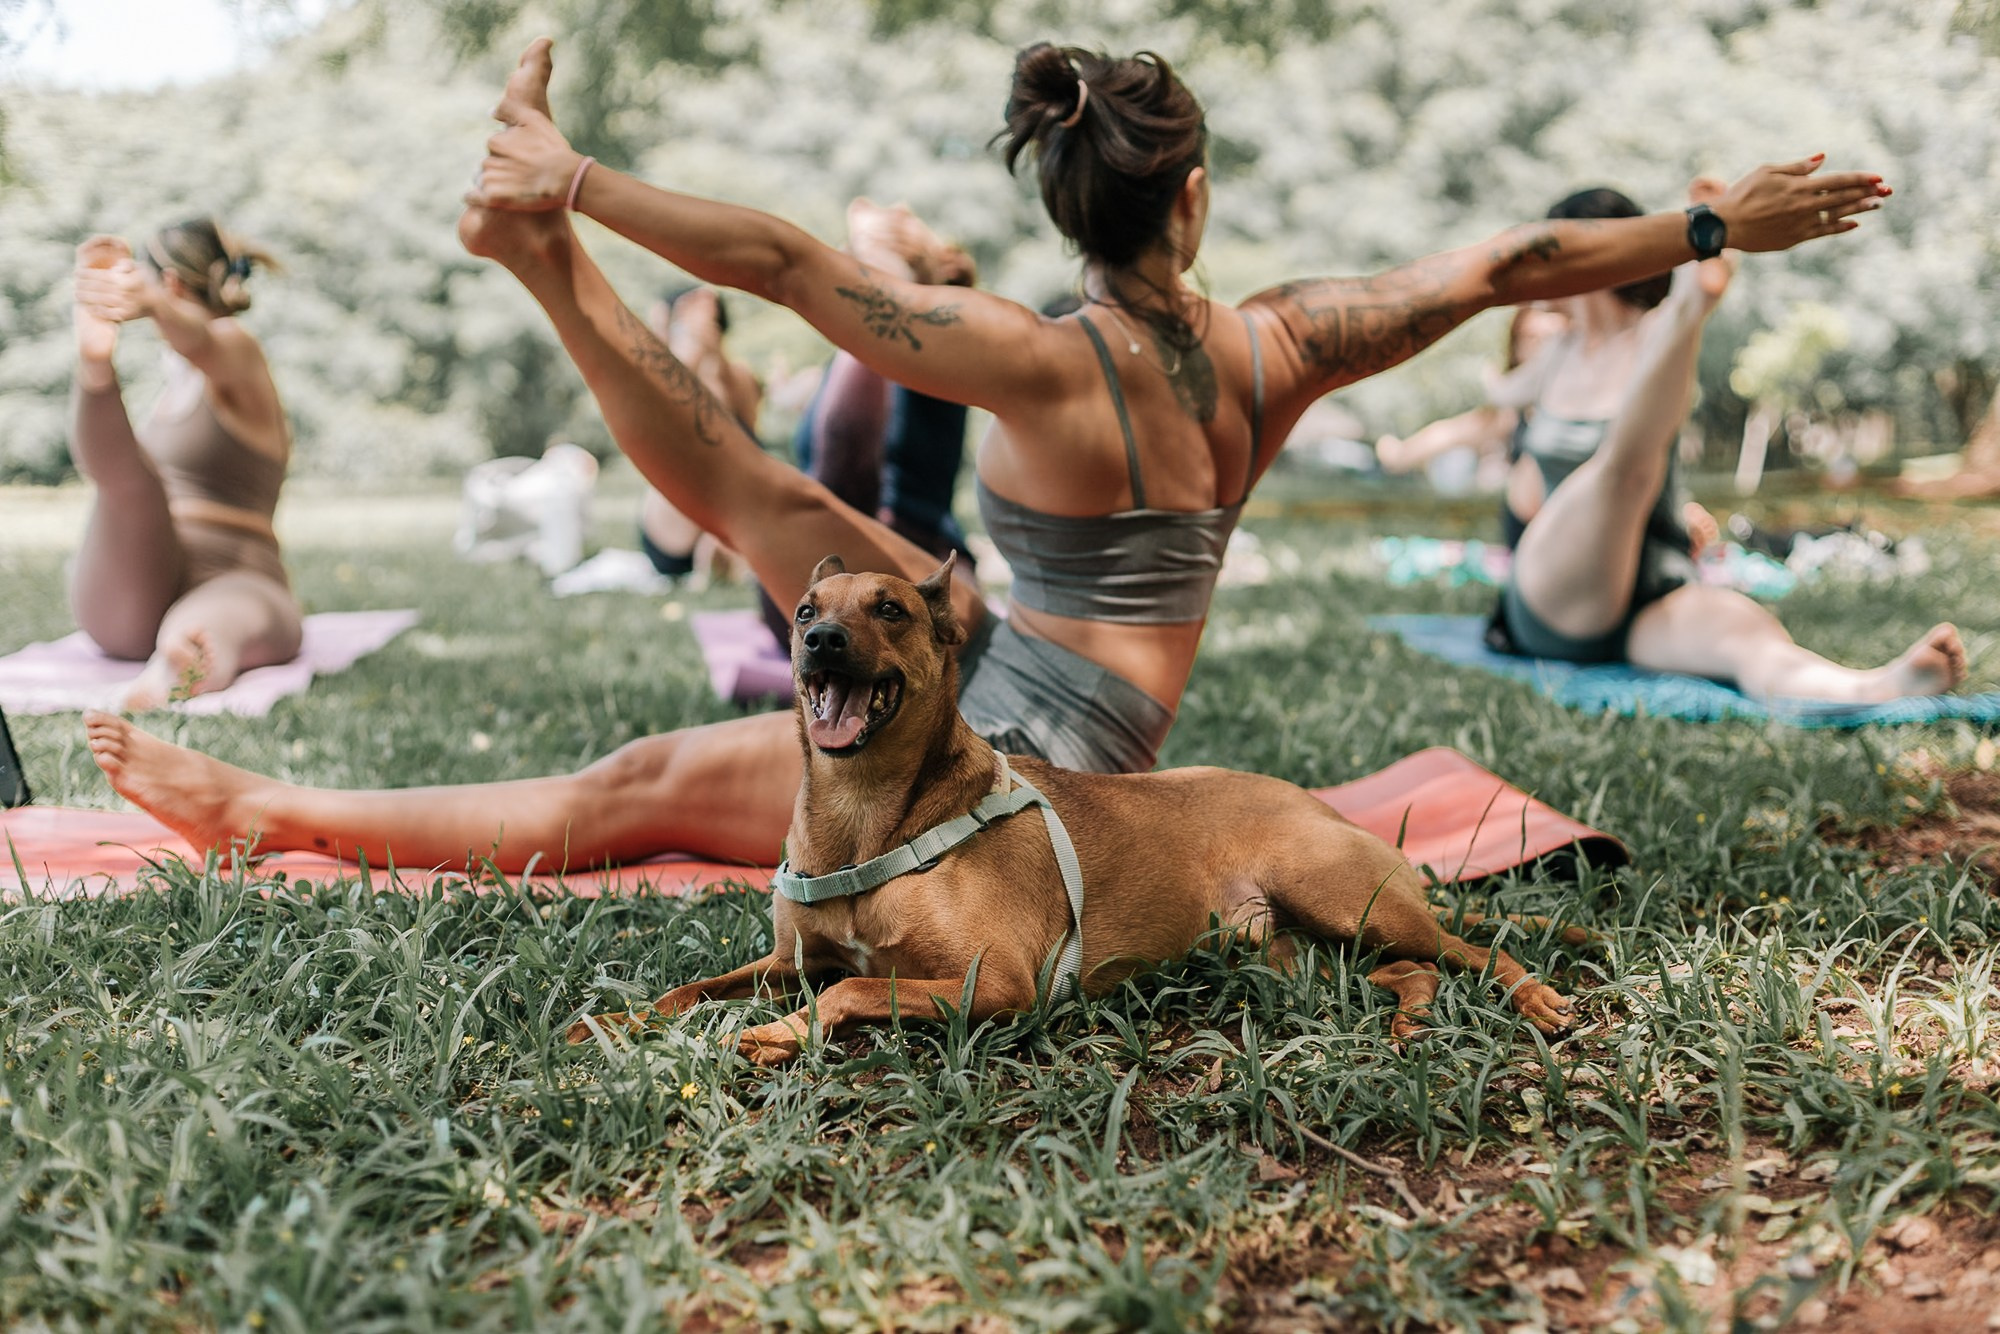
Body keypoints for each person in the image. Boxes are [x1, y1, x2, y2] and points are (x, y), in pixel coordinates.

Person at [85, 39, 1893, 872]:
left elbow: (795, 266)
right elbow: (1503, 265)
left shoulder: (1032, 359)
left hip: (1019, 759)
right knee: (797, 515)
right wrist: (1705, 220)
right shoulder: (1284, 342)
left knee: (636, 763)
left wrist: (586, 179)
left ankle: (268, 807)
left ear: (1063, 195)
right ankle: (546, 255)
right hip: (1033, 694)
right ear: (1194, 195)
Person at [1490, 183, 1964, 702]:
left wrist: (1709, 260)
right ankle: (1698, 295)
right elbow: (1490, 400)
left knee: (1743, 633)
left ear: (1585, 260)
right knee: (1619, 469)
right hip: (1555, 596)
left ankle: (1872, 686)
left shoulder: (1652, 335)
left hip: (1649, 592)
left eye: (1546, 253)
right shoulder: (1555, 355)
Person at [68, 219, 303, 710]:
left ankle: (185, 655)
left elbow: (203, 341)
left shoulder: (236, 348)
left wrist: (153, 306)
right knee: (132, 482)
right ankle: (94, 369)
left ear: (171, 283)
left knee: (220, 612)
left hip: (236, 573)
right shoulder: (171, 389)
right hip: (138, 584)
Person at [637, 283, 761, 582]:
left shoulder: (736, 377)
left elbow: (749, 424)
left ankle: (719, 548)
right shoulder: (656, 374)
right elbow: (665, 412)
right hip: (674, 529)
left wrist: (713, 351)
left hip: (732, 519)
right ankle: (715, 551)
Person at [1374, 304, 1568, 491]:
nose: (1540, 351)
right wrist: (1401, 453)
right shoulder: (1510, 414)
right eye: (1530, 339)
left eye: (1548, 340)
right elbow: (1454, 432)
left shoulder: (1569, 400)